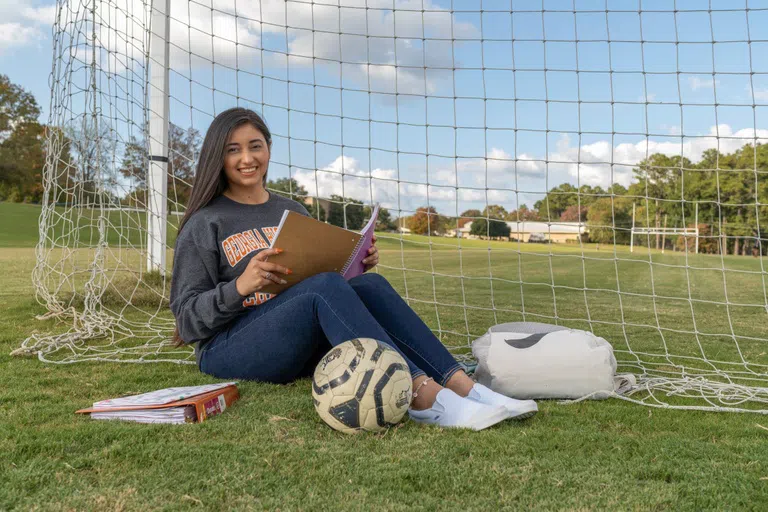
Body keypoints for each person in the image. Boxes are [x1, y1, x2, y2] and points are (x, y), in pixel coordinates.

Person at [170, 107, 538, 431]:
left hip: (296, 344)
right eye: (233, 149)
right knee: (322, 288)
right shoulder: (206, 222)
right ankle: (423, 397)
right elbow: (187, 322)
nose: (247, 158)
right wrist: (241, 286)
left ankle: (462, 386)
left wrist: (355, 262)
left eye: (255, 146)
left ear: (268, 149)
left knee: (370, 286)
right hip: (229, 348)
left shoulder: (292, 211)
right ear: (217, 157)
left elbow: (321, 284)